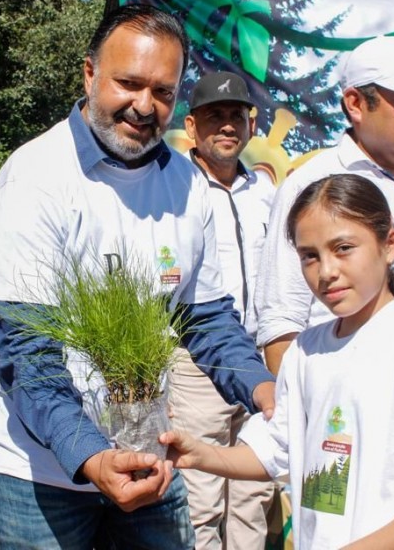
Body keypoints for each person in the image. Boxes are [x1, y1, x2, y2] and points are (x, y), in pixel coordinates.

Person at [0, 4, 276, 549]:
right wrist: (91, 456)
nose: (143, 106)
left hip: (148, 456)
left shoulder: (188, 185)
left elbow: (205, 317)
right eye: (128, 83)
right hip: (34, 471)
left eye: (162, 91)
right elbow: (25, 351)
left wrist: (265, 390)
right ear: (89, 74)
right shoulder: (34, 180)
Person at [164, 173, 394, 548]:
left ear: (390, 244)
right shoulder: (306, 350)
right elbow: (275, 451)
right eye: (309, 256)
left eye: (343, 248)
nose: (326, 271)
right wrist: (201, 455)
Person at [255, 35, 394, 546]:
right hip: (358, 464)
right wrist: (322, 433)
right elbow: (281, 328)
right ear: (355, 104)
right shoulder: (312, 186)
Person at [168, 71, 276, 549]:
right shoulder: (174, 193)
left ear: (251, 126)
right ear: (192, 127)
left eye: (237, 116)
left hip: (262, 361)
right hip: (197, 362)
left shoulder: (269, 195)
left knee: (255, 496)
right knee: (202, 495)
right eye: (216, 116)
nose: (228, 126)